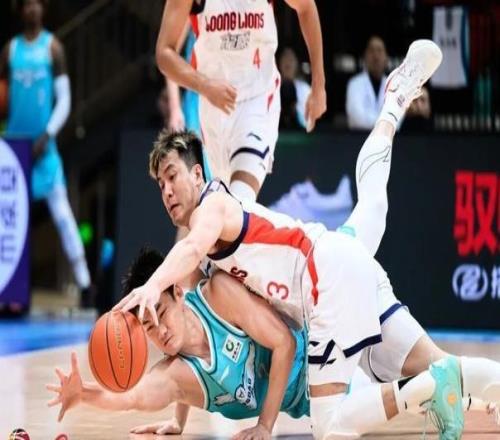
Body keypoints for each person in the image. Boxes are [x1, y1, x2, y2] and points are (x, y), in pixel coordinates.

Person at [114, 41, 480, 439]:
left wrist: (151, 286)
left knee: (333, 424)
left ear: (198, 174)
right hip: (332, 254)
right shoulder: (200, 241)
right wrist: (179, 420)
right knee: (374, 205)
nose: (167, 190)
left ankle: (432, 388)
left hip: (321, 278)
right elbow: (189, 327)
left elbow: (188, 249)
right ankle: (392, 104)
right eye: (160, 184)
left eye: (172, 176)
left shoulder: (211, 210)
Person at [47, 251, 309, 440]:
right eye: (149, 326)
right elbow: (131, 397)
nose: (160, 331)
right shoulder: (175, 375)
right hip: (308, 404)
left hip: (319, 352)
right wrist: (82, 394)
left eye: (161, 312)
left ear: (179, 293)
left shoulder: (221, 296)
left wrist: (264, 426)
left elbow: (285, 343)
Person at [155, 0, 326, 201]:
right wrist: (204, 86)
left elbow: (306, 7)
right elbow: (164, 52)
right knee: (226, 206)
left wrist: (318, 85)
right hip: (213, 103)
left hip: (258, 98)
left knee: (240, 197)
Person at [0, 0, 91, 301]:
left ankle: (86, 284)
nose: (32, 8)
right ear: (20, 10)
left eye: (37, 3)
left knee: (63, 217)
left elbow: (64, 101)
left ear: (44, 9)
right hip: (14, 152)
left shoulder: (53, 48)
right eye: (27, 4)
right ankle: (8, 290)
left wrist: (47, 134)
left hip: (44, 149)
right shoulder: (10, 50)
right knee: (9, 224)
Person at [346, 35, 388, 130]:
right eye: (371, 51)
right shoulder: (354, 84)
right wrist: (385, 124)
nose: (376, 56)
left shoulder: (394, 85)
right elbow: (357, 119)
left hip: (389, 138)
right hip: (359, 137)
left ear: (386, 58)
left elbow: (396, 120)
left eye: (379, 50)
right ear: (365, 56)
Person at [278, 47, 312, 129]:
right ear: (279, 62)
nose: (287, 62)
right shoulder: (270, 88)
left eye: (291, 59)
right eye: (285, 58)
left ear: (296, 63)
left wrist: (295, 111)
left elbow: (309, 122)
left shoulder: (305, 89)